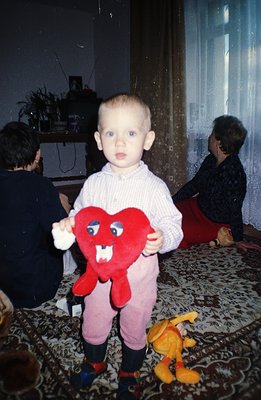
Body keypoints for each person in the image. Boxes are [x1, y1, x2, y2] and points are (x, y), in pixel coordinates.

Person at [52, 94, 183, 399]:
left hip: (138, 280)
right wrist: (68, 225)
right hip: (99, 276)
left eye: (131, 133)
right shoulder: (94, 183)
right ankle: (94, 361)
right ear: (98, 139)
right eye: (111, 133)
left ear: (147, 139)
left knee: (134, 327)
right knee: (94, 321)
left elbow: (173, 222)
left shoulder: (154, 187)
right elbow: (81, 217)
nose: (120, 142)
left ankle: (130, 372)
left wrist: (163, 236)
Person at [0, 121, 71, 308]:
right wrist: (63, 206)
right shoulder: (41, 185)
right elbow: (61, 241)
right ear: (37, 154)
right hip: (36, 289)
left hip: (3, 289)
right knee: (61, 210)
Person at [172, 115, 247, 248]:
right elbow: (194, 185)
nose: (209, 137)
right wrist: (171, 201)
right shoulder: (211, 160)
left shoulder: (234, 173)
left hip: (214, 223)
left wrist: (238, 237)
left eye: (212, 134)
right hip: (197, 206)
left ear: (219, 142)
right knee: (166, 213)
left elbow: (235, 208)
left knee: (177, 230)